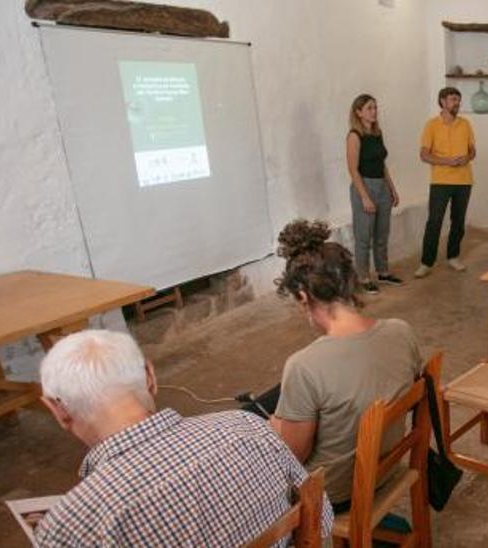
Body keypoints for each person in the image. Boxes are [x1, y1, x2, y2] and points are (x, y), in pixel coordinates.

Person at [34, 330, 333, 546]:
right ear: (150, 377)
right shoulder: (248, 427)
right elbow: (322, 518)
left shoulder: (69, 525)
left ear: (57, 409)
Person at [253, 219, 423, 512]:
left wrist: (274, 427)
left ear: (304, 296)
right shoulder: (401, 330)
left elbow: (293, 454)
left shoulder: (303, 366)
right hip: (388, 468)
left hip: (334, 494)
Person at [346, 93, 403, 294]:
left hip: (382, 187)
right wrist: (364, 196)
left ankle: (383, 272)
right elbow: (353, 169)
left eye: (375, 108)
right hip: (365, 186)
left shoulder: (378, 133)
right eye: (369, 108)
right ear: (359, 112)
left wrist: (392, 189)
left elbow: (382, 164)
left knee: (382, 233)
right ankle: (363, 277)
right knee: (364, 236)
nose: (374, 111)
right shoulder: (354, 135)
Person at [416, 86, 476, 277]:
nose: (457, 103)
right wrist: (446, 161)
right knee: (434, 221)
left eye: (458, 99)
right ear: (442, 101)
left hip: (464, 181)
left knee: (458, 221)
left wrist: (468, 157)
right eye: (452, 99)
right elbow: (424, 155)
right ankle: (426, 262)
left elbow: (473, 150)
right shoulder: (431, 125)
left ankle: (453, 256)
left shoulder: (465, 124)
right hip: (440, 181)